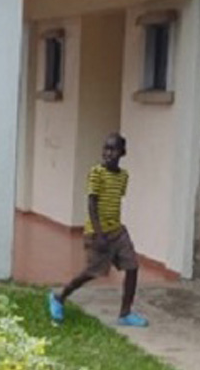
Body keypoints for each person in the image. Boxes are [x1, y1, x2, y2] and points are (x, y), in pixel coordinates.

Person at [48, 133, 148, 327]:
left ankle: (125, 313)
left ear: (122, 153)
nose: (108, 153)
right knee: (92, 272)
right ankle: (59, 297)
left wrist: (112, 231)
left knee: (132, 267)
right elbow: (92, 204)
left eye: (114, 149)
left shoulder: (123, 176)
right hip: (98, 232)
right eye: (106, 149)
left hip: (118, 231)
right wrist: (99, 234)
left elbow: (115, 201)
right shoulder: (96, 173)